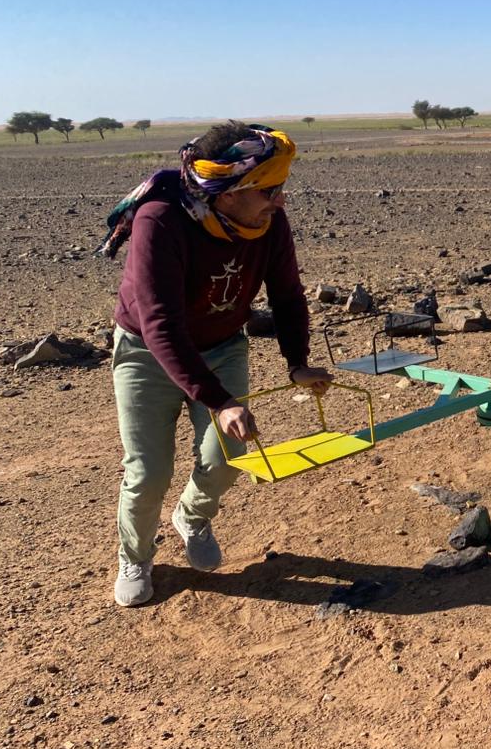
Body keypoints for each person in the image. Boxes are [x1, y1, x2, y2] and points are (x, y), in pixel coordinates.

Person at [98, 121, 332, 607]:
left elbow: (287, 295)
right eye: (269, 190)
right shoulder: (160, 221)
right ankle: (136, 555)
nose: (280, 200)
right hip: (147, 350)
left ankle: (192, 516)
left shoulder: (269, 224)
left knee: (229, 456)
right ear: (228, 194)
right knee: (148, 471)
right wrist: (220, 401)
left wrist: (297, 363)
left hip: (222, 344)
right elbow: (160, 324)